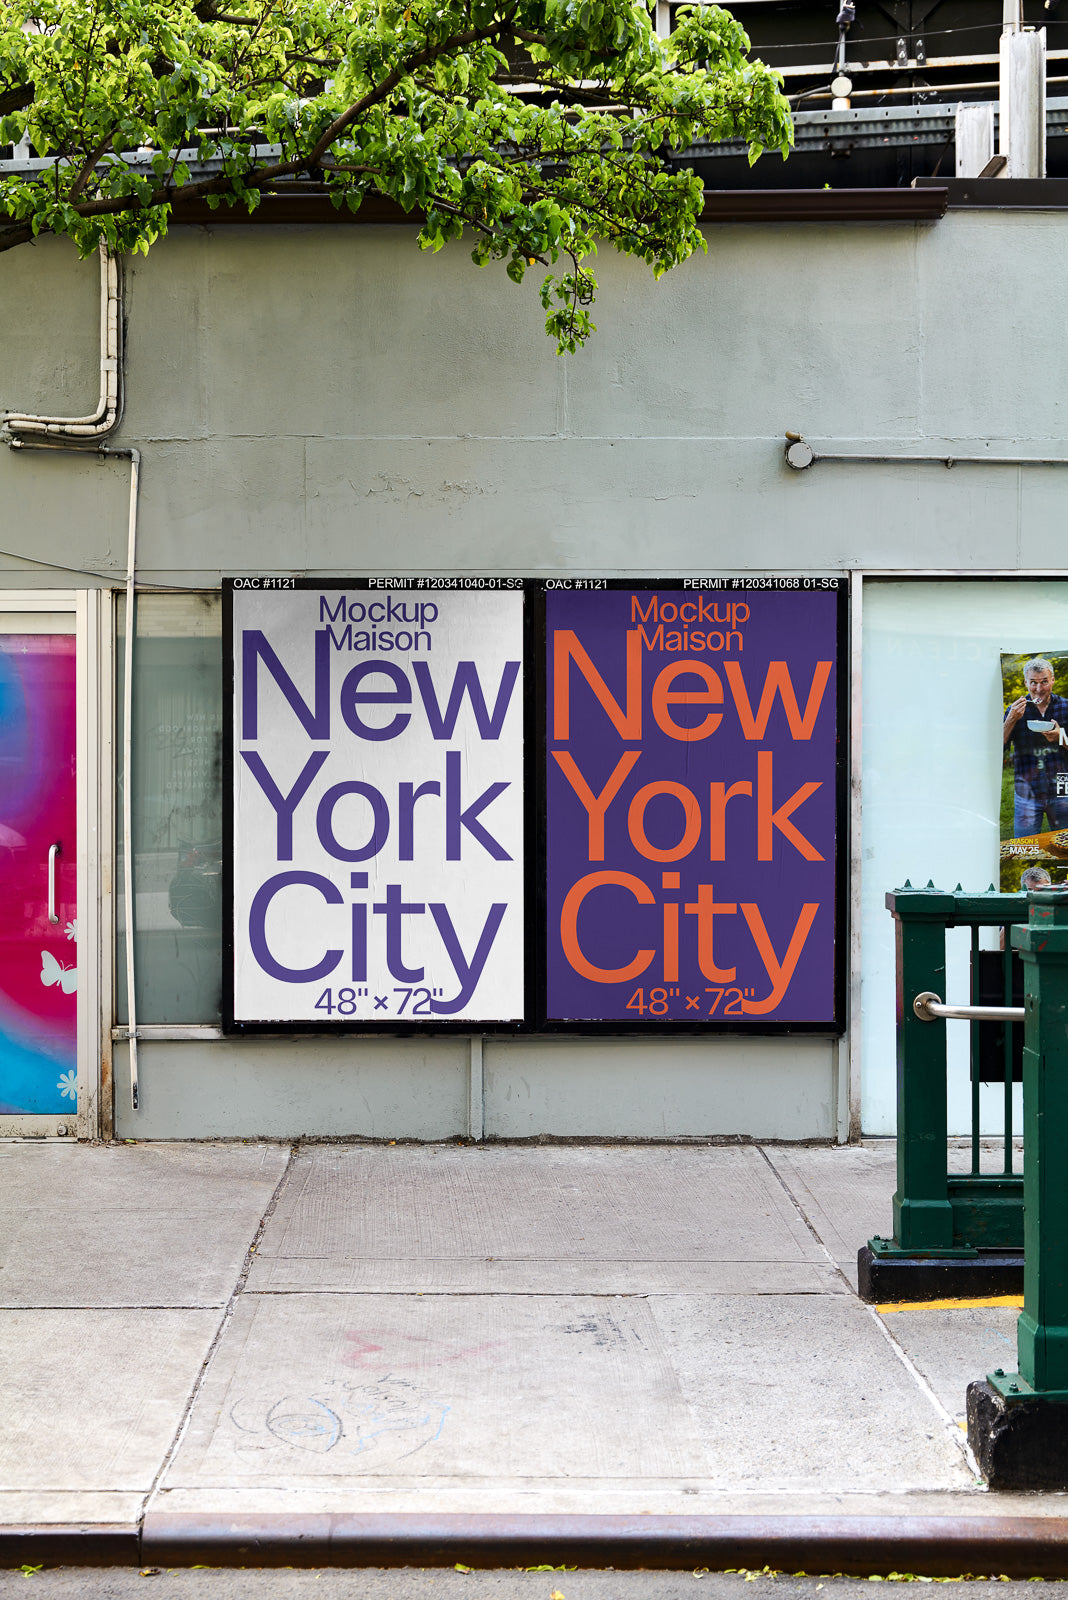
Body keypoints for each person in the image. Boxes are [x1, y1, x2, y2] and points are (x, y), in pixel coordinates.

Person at [1003, 657, 1068, 836]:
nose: (1039, 689)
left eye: (1044, 682)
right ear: (1026, 682)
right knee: (1025, 845)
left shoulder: (1066, 707)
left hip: (1062, 789)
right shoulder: (1014, 711)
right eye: (1033, 683)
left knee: (1064, 847)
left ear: (1052, 679)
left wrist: (1060, 737)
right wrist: (1011, 720)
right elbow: (999, 750)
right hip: (1027, 791)